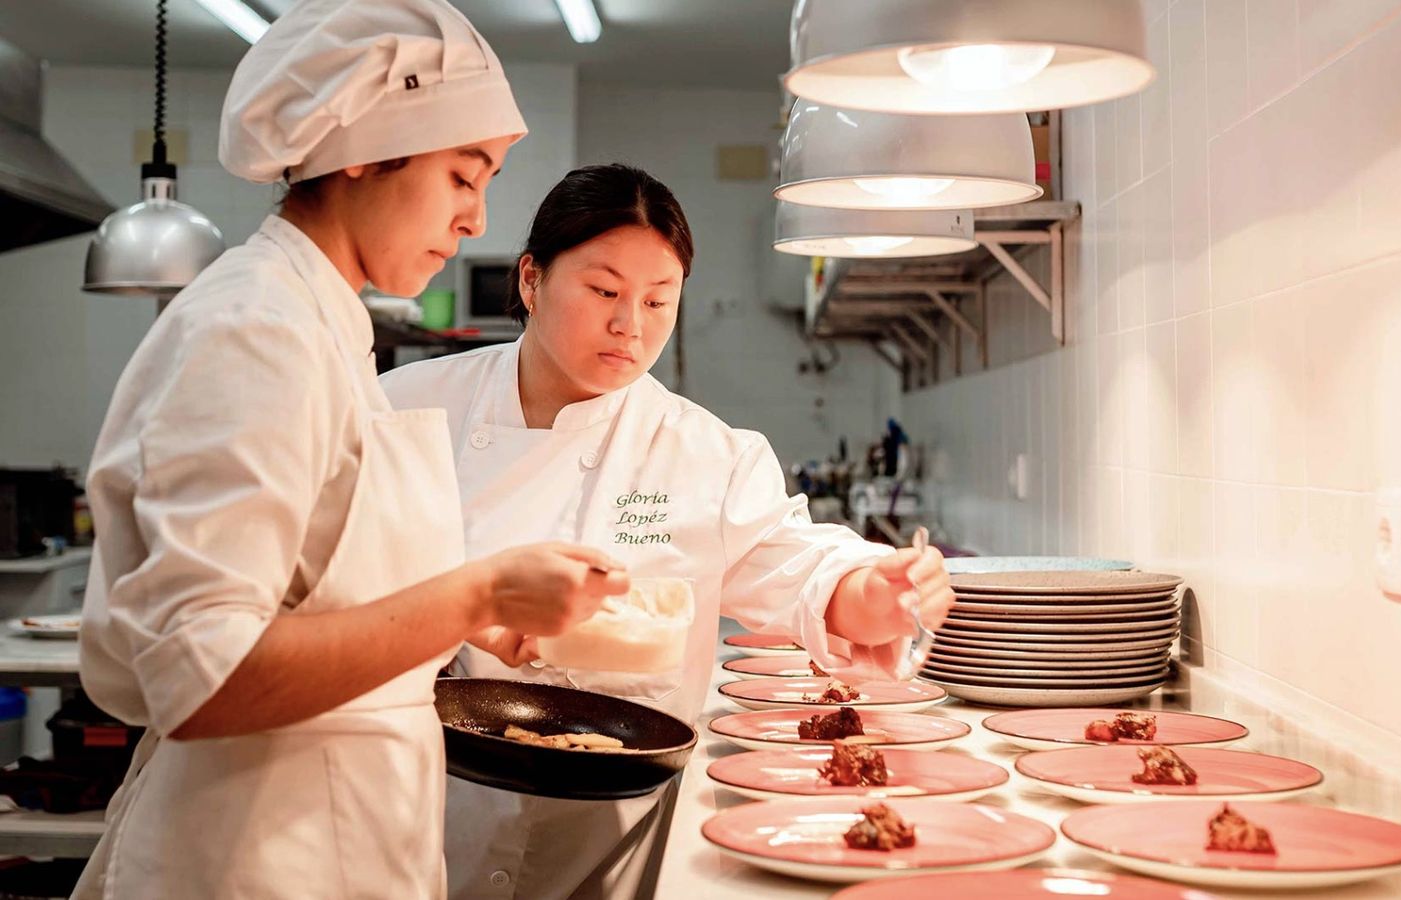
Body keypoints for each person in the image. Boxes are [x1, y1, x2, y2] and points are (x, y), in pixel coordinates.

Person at [71, 3, 626, 898]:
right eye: (462, 176)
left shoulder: (321, 321)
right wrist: (472, 591)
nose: (477, 220)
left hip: (330, 839)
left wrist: (466, 619)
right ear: (366, 150)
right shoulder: (256, 329)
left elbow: (305, 584)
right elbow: (204, 676)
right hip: (255, 856)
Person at [380, 163, 955, 899]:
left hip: (610, 843)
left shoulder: (707, 453)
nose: (631, 325)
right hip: (422, 818)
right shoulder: (407, 411)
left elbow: (804, 571)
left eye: (659, 300)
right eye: (604, 292)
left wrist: (881, 587)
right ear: (531, 280)